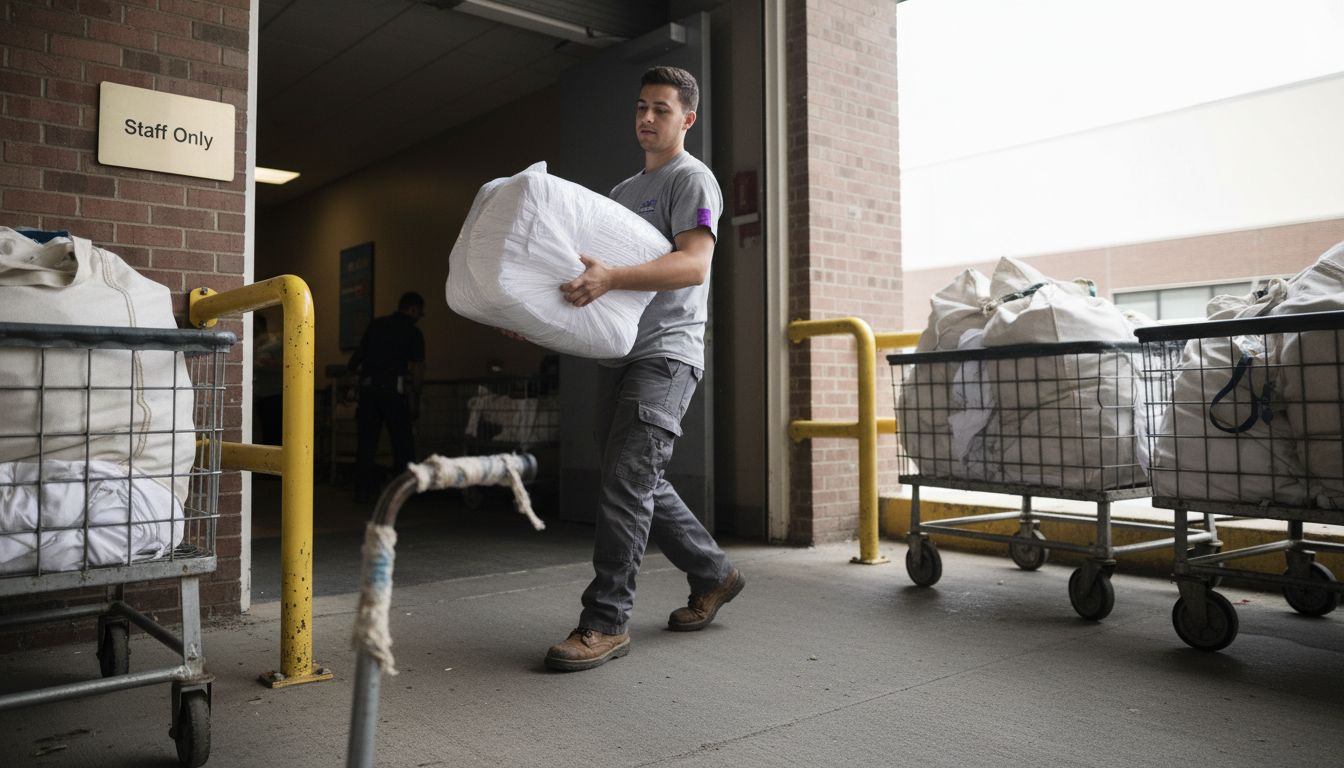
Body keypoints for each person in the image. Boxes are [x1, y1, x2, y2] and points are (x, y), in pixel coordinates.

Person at [544, 66, 742, 672]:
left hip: (667, 354)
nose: (647, 118)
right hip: (621, 352)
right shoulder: (624, 191)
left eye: (661, 108)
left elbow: (692, 266)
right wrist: (531, 311)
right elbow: (592, 273)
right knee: (638, 477)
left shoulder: (693, 179)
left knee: (627, 480)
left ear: (687, 118)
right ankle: (714, 573)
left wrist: (611, 277)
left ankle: (605, 621)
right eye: (640, 107)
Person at [347, 291, 426, 501]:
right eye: (419, 312)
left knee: (366, 443)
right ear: (413, 309)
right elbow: (417, 369)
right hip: (393, 390)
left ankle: (363, 490)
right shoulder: (413, 332)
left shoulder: (377, 325)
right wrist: (416, 398)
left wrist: (354, 380)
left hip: (369, 390)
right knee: (402, 442)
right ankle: (403, 492)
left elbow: (356, 358)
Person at [252, 313, 284, 446]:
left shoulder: (273, 344)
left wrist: (262, 364)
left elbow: (285, 366)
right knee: (266, 433)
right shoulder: (255, 343)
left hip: (273, 395)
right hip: (261, 395)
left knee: (273, 433)